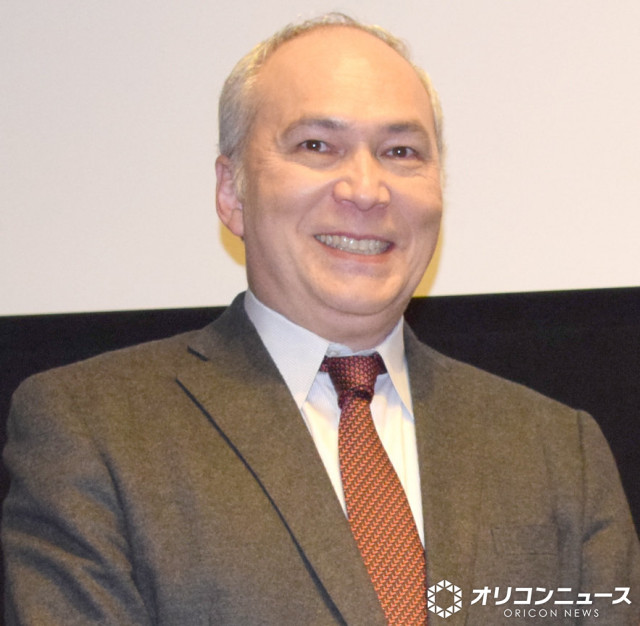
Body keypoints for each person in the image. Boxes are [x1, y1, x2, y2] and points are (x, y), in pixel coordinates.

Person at [3, 13, 639, 626]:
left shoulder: (559, 452)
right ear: (231, 191)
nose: (365, 189)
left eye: (400, 151)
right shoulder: (94, 431)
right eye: (317, 146)